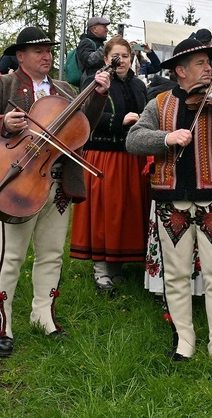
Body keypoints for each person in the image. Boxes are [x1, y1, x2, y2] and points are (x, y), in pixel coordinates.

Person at [0, 27, 110, 357]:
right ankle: (0, 322)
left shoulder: (63, 89)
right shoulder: (3, 84)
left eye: (49, 51)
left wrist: (99, 95)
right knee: (12, 255)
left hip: (59, 180)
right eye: (38, 51)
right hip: (18, 181)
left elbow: (83, 127)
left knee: (51, 253)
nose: (47, 56)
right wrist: (3, 122)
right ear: (20, 56)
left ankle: (42, 315)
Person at [125, 38, 212, 383]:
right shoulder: (159, 102)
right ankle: (184, 341)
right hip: (171, 200)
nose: (208, 67)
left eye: (209, 62)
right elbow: (134, 140)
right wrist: (166, 138)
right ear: (179, 70)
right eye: (199, 63)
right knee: (176, 274)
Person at [69, 37, 150, 291]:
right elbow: (85, 117)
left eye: (125, 56)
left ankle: (117, 266)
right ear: (106, 59)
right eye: (116, 56)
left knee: (126, 212)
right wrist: (119, 120)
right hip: (104, 156)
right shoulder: (95, 81)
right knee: (107, 212)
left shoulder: (138, 84)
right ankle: (101, 269)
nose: (121, 61)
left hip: (132, 156)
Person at [76, 16, 110, 87]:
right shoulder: (85, 43)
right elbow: (89, 60)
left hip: (99, 82)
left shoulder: (100, 44)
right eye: (104, 27)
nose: (107, 30)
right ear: (94, 29)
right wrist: (108, 47)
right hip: (90, 84)